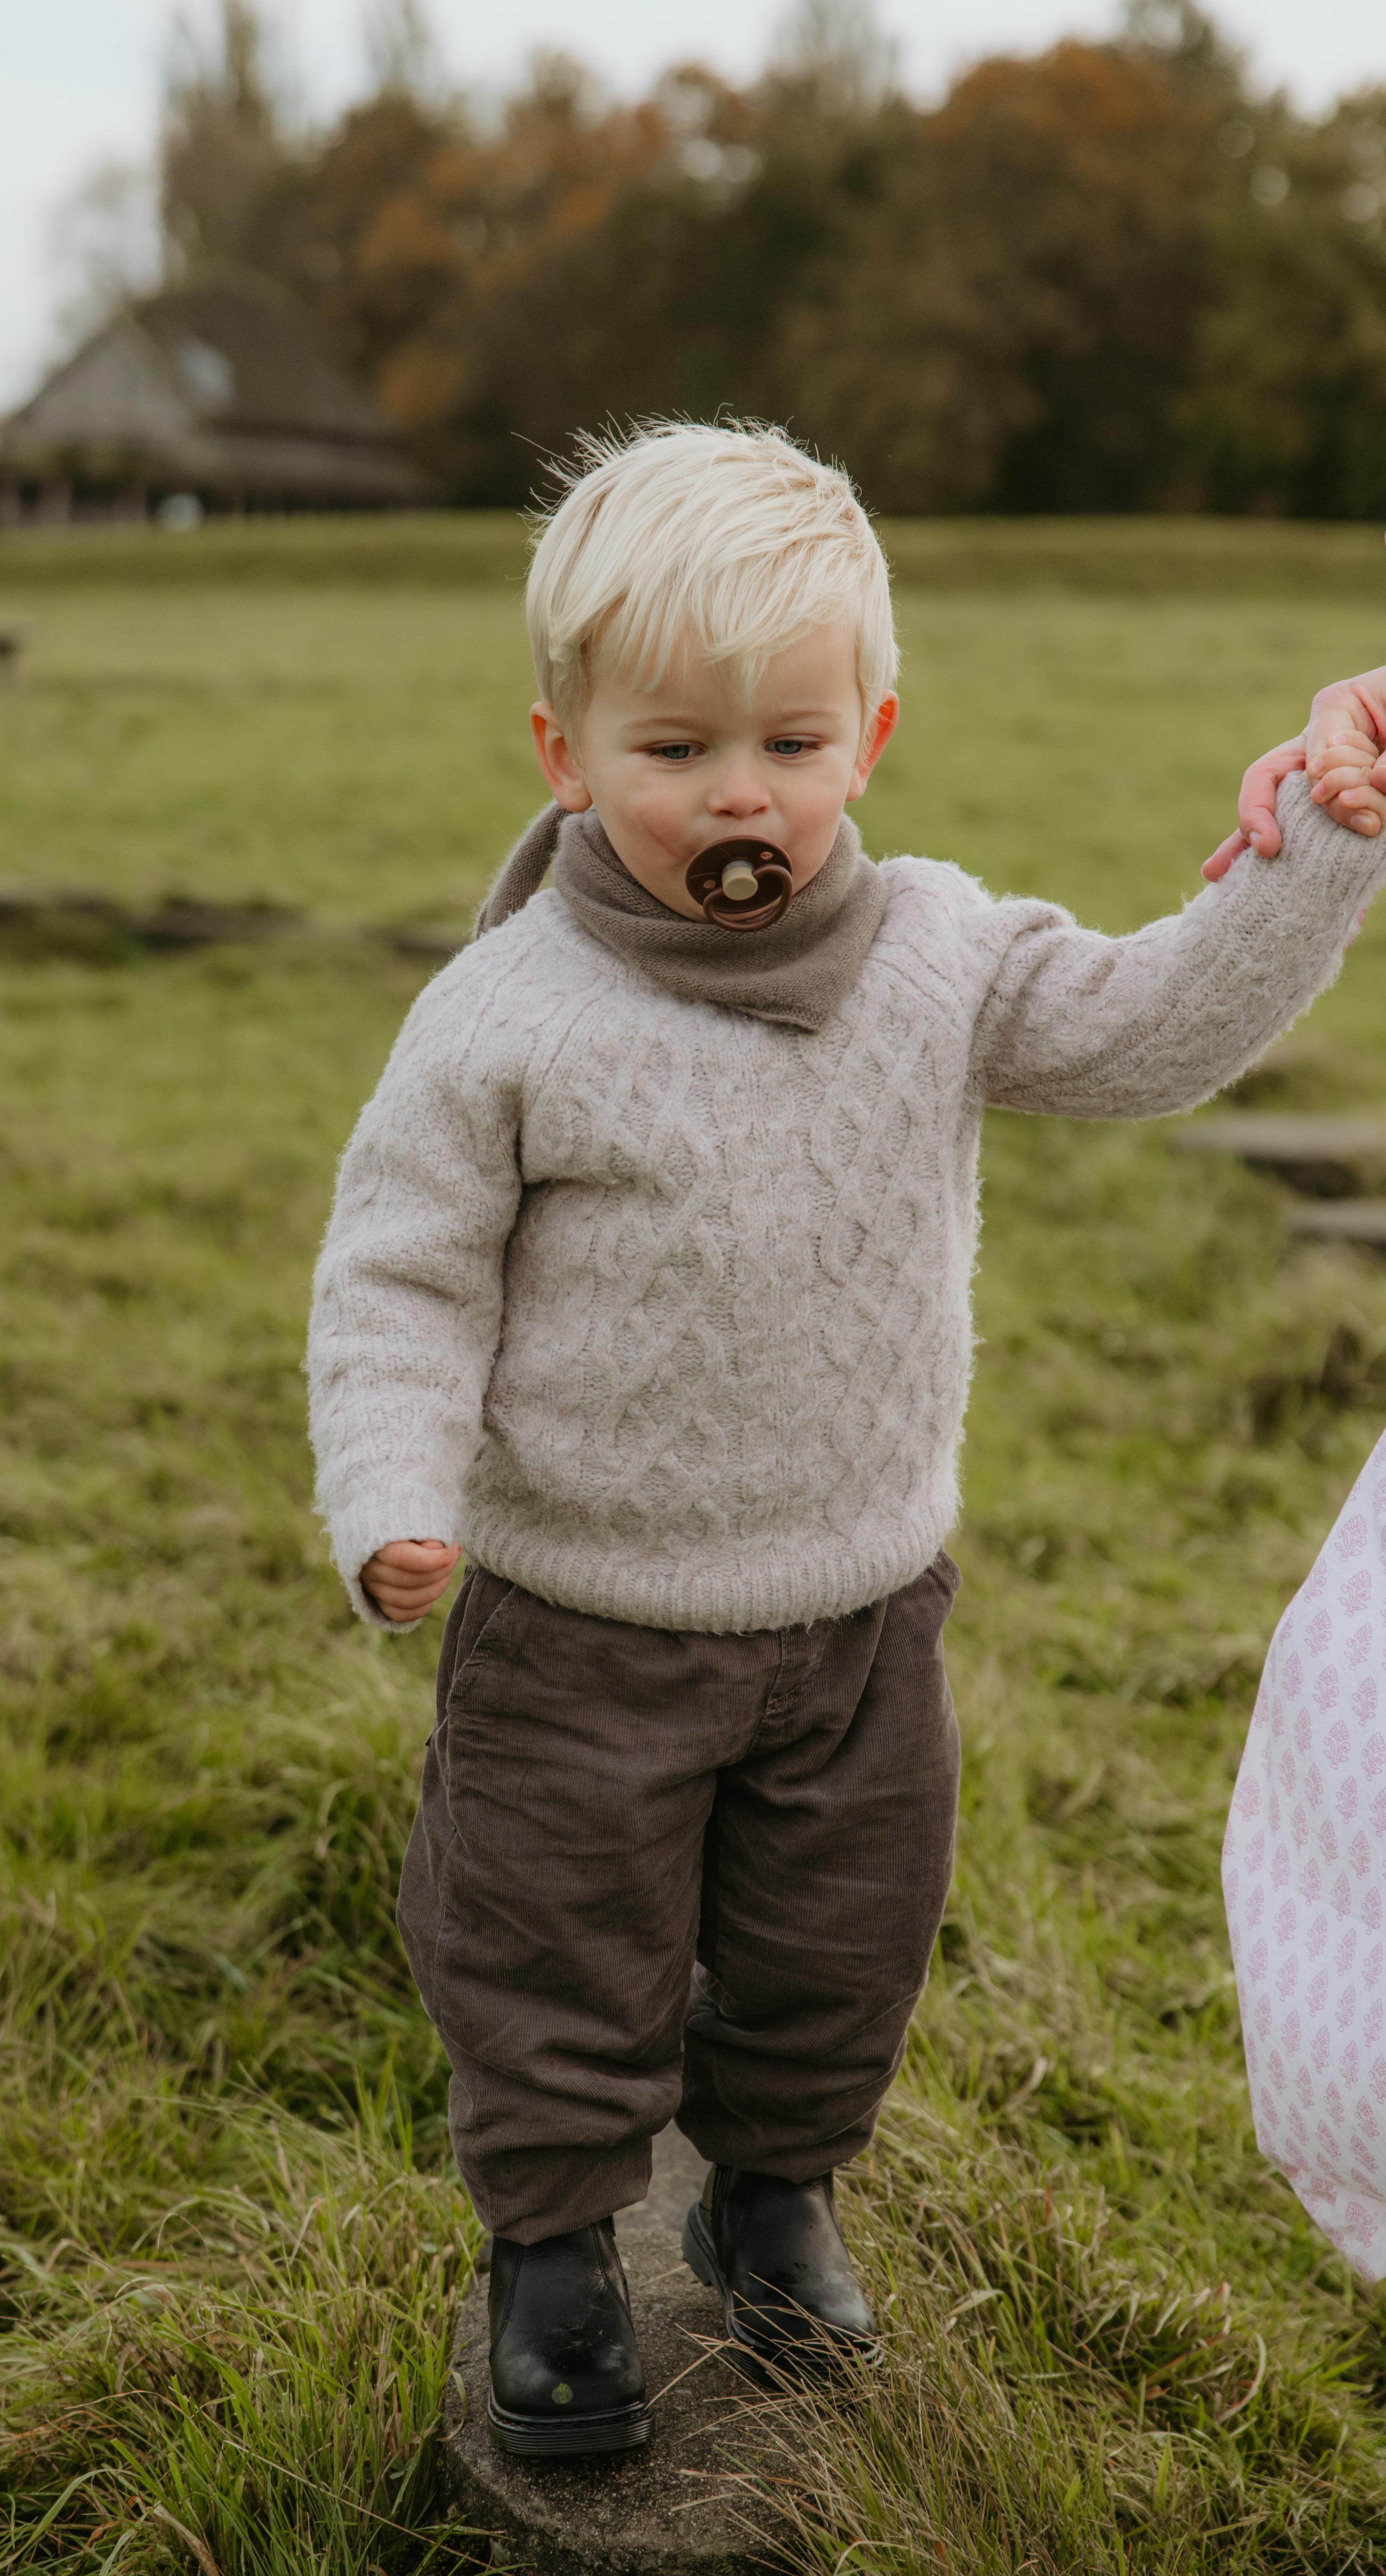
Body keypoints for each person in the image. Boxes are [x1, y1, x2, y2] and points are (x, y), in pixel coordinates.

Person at [306, 419, 1386, 2460]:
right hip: (580, 1616)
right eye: (677, 750)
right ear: (561, 755)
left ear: (870, 736)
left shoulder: (942, 958)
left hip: (860, 1607)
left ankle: (773, 2203)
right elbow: (401, 1279)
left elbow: (1159, 1027)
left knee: (839, 1941)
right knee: (552, 1944)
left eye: (792, 747)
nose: (743, 797)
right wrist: (392, 1494)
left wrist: (1317, 847)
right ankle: (550, 2251)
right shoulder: (505, 1017)